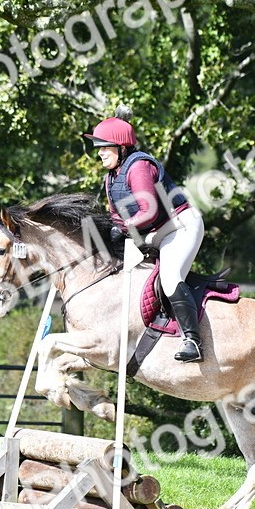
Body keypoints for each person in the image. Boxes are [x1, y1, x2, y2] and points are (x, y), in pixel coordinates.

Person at [83, 108, 207, 363]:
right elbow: (116, 217)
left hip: (180, 228)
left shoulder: (139, 166)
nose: (100, 152)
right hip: (153, 234)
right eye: (99, 147)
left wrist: (123, 227)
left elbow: (148, 211)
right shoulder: (111, 178)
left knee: (170, 277)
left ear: (121, 147)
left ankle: (192, 341)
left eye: (105, 147)